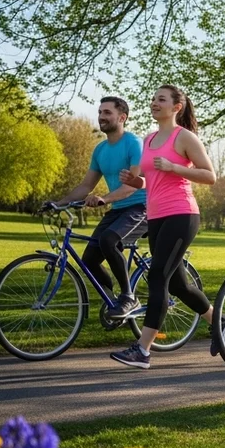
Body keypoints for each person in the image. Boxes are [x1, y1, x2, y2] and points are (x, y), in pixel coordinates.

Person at [111, 85, 219, 369]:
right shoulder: (148, 140)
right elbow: (151, 179)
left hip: (182, 214)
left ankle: (143, 351)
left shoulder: (185, 137)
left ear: (176, 107)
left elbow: (209, 175)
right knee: (178, 284)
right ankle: (218, 320)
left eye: (161, 99)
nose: (154, 103)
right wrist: (135, 182)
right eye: (153, 99)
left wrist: (176, 168)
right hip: (156, 216)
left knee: (157, 275)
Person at [52, 97, 147, 322]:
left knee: (108, 240)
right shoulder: (100, 149)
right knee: (89, 260)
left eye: (107, 112)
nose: (101, 117)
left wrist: (104, 198)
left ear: (122, 118)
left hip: (141, 207)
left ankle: (129, 297)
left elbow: (132, 185)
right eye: (100, 112)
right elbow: (86, 186)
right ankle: (114, 302)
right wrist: (59, 203)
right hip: (118, 208)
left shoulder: (133, 143)